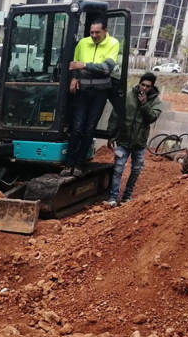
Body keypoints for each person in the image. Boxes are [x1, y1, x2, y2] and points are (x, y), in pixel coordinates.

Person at [62, 20, 120, 178]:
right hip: (83, 91)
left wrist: (85, 66)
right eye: (92, 32)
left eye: (97, 33)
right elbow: (74, 65)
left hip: (100, 93)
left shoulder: (113, 43)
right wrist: (74, 78)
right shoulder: (82, 43)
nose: (94, 35)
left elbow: (106, 68)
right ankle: (69, 164)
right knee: (78, 127)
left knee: (89, 128)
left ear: (105, 31)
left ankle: (80, 164)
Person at [105, 72, 162, 206]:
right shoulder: (128, 95)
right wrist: (111, 135)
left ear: (152, 87)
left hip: (139, 143)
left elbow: (152, 117)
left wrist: (144, 104)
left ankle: (126, 197)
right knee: (118, 169)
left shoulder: (155, 101)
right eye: (142, 84)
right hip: (123, 140)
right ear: (139, 83)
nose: (144, 88)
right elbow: (115, 115)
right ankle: (113, 198)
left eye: (148, 86)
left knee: (136, 171)